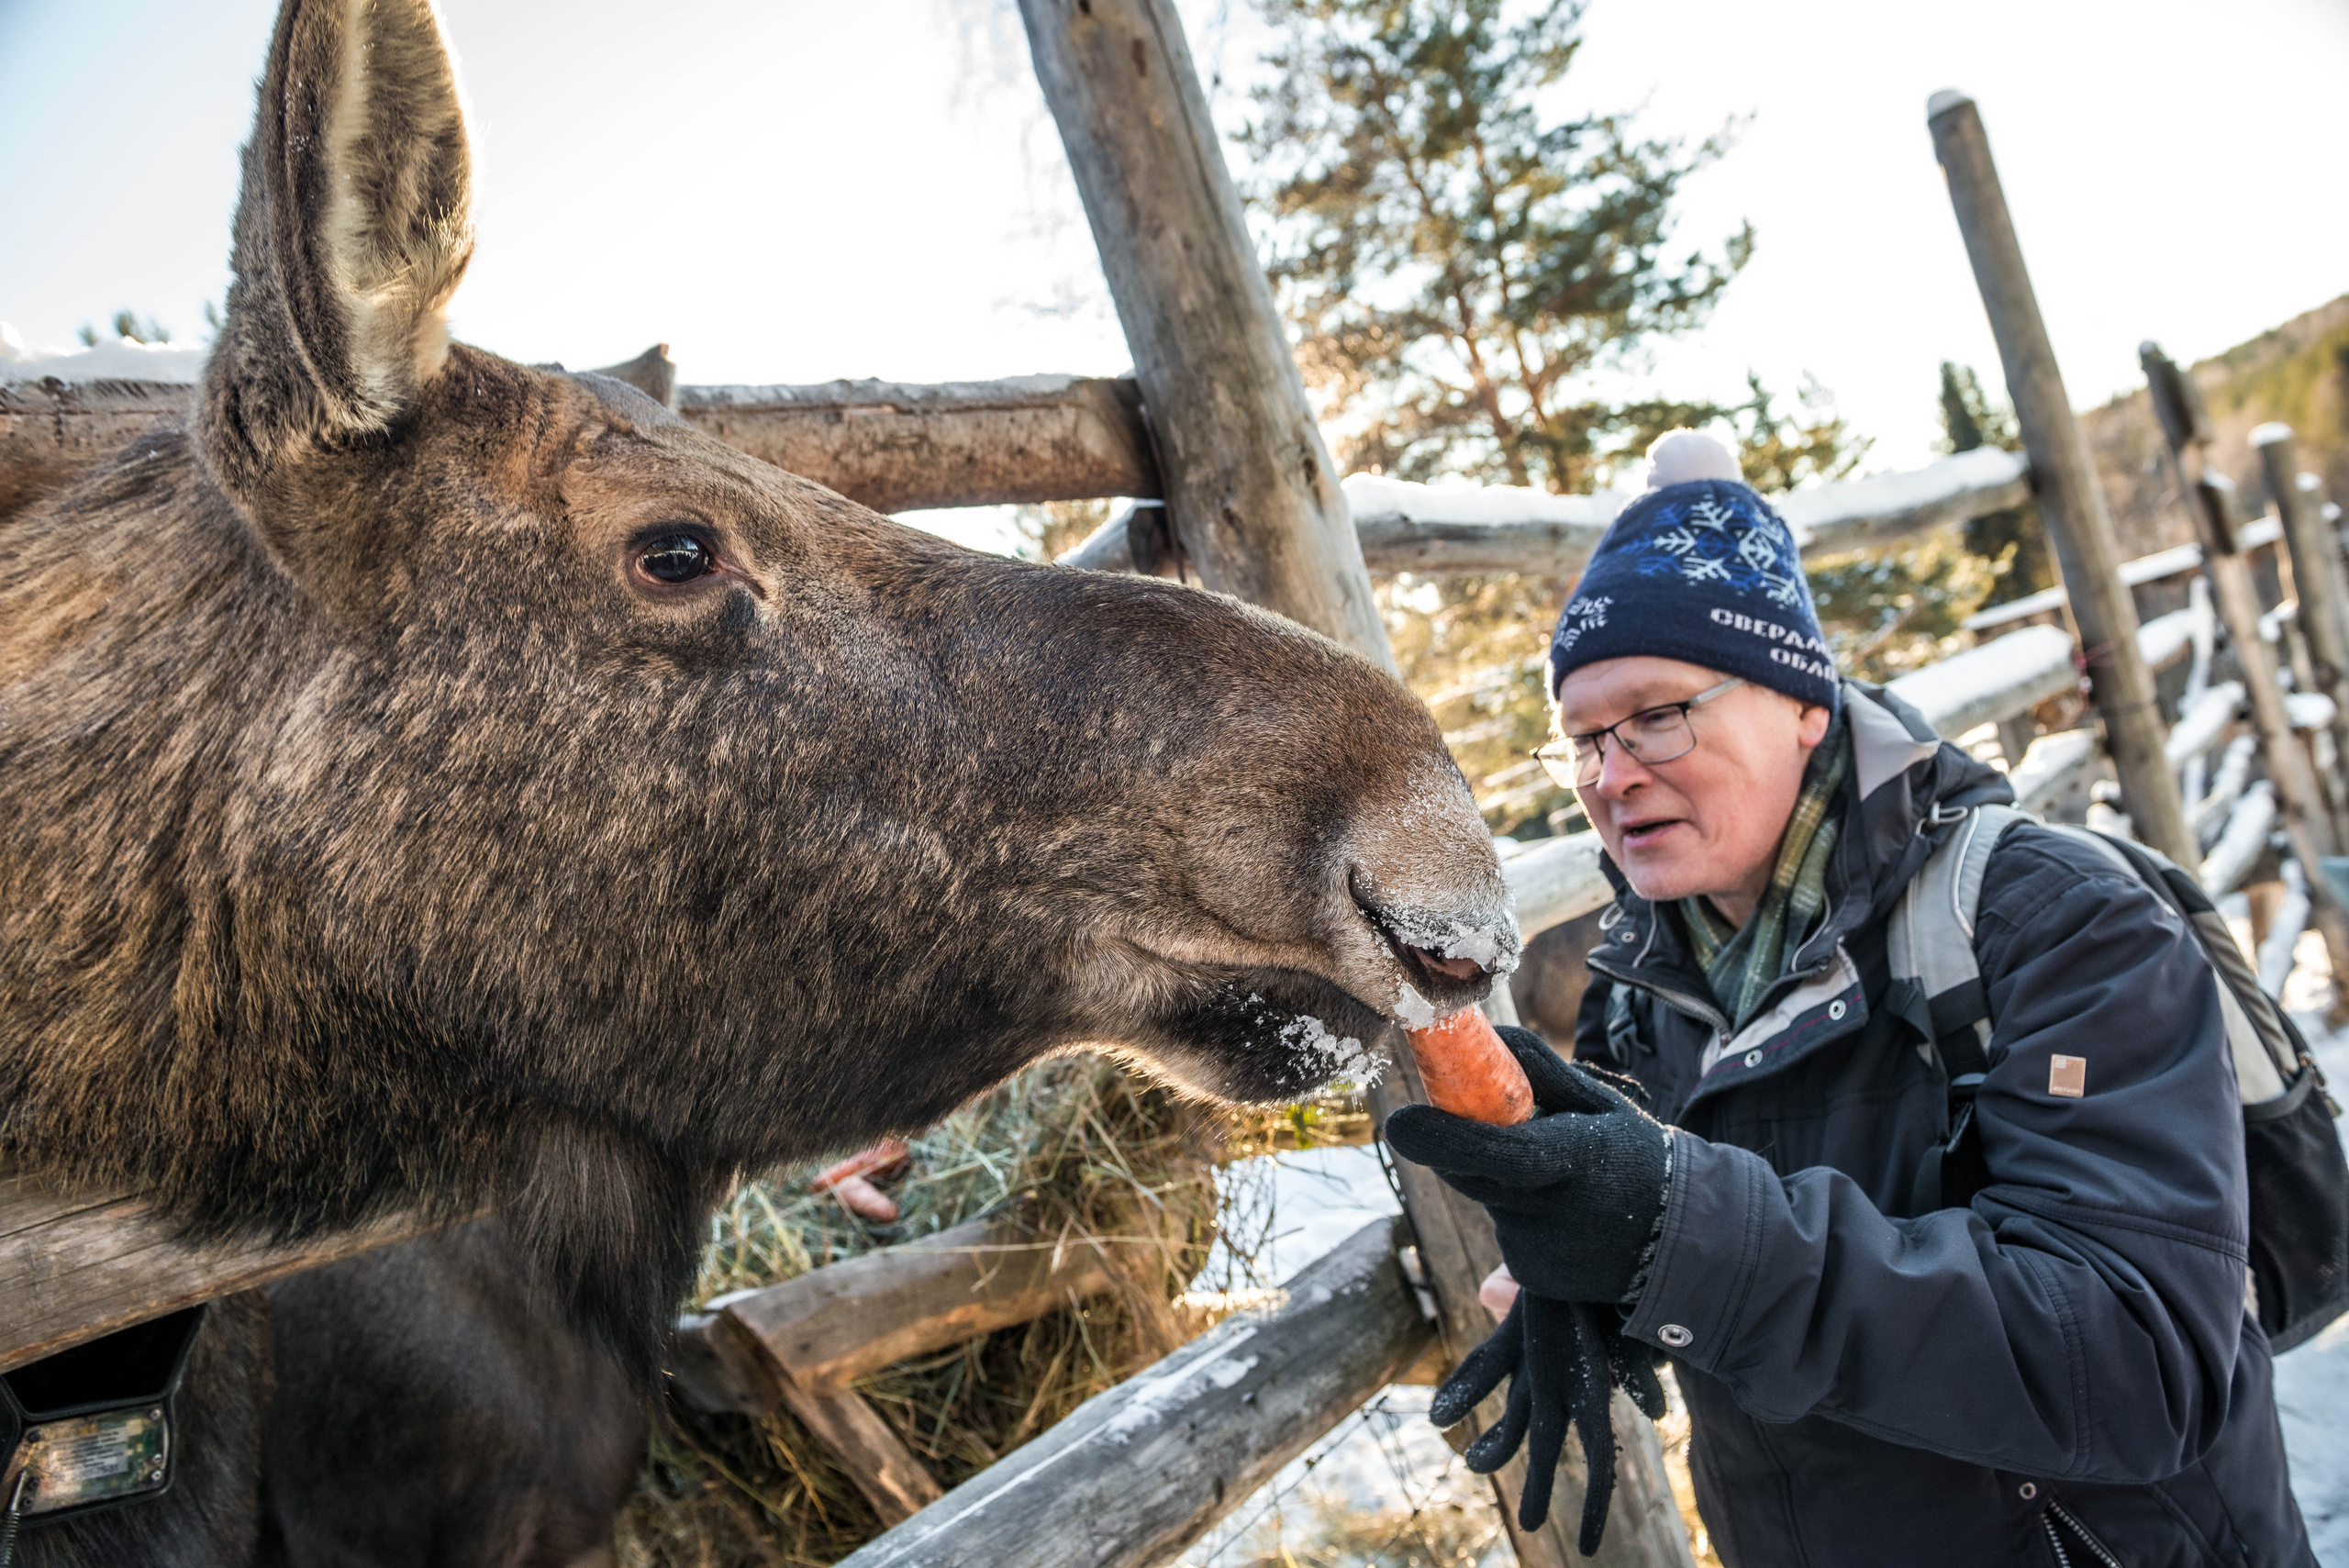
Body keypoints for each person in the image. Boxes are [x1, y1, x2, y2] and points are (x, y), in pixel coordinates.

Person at [1386, 431, 2313, 1565]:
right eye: (1579, 740)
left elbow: (2137, 1361)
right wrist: (1608, 1268)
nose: (1612, 773)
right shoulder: (1640, 994)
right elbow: (1736, 1274)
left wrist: (1678, 1236)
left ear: (1802, 703)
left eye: (1658, 714)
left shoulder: (2057, 919)